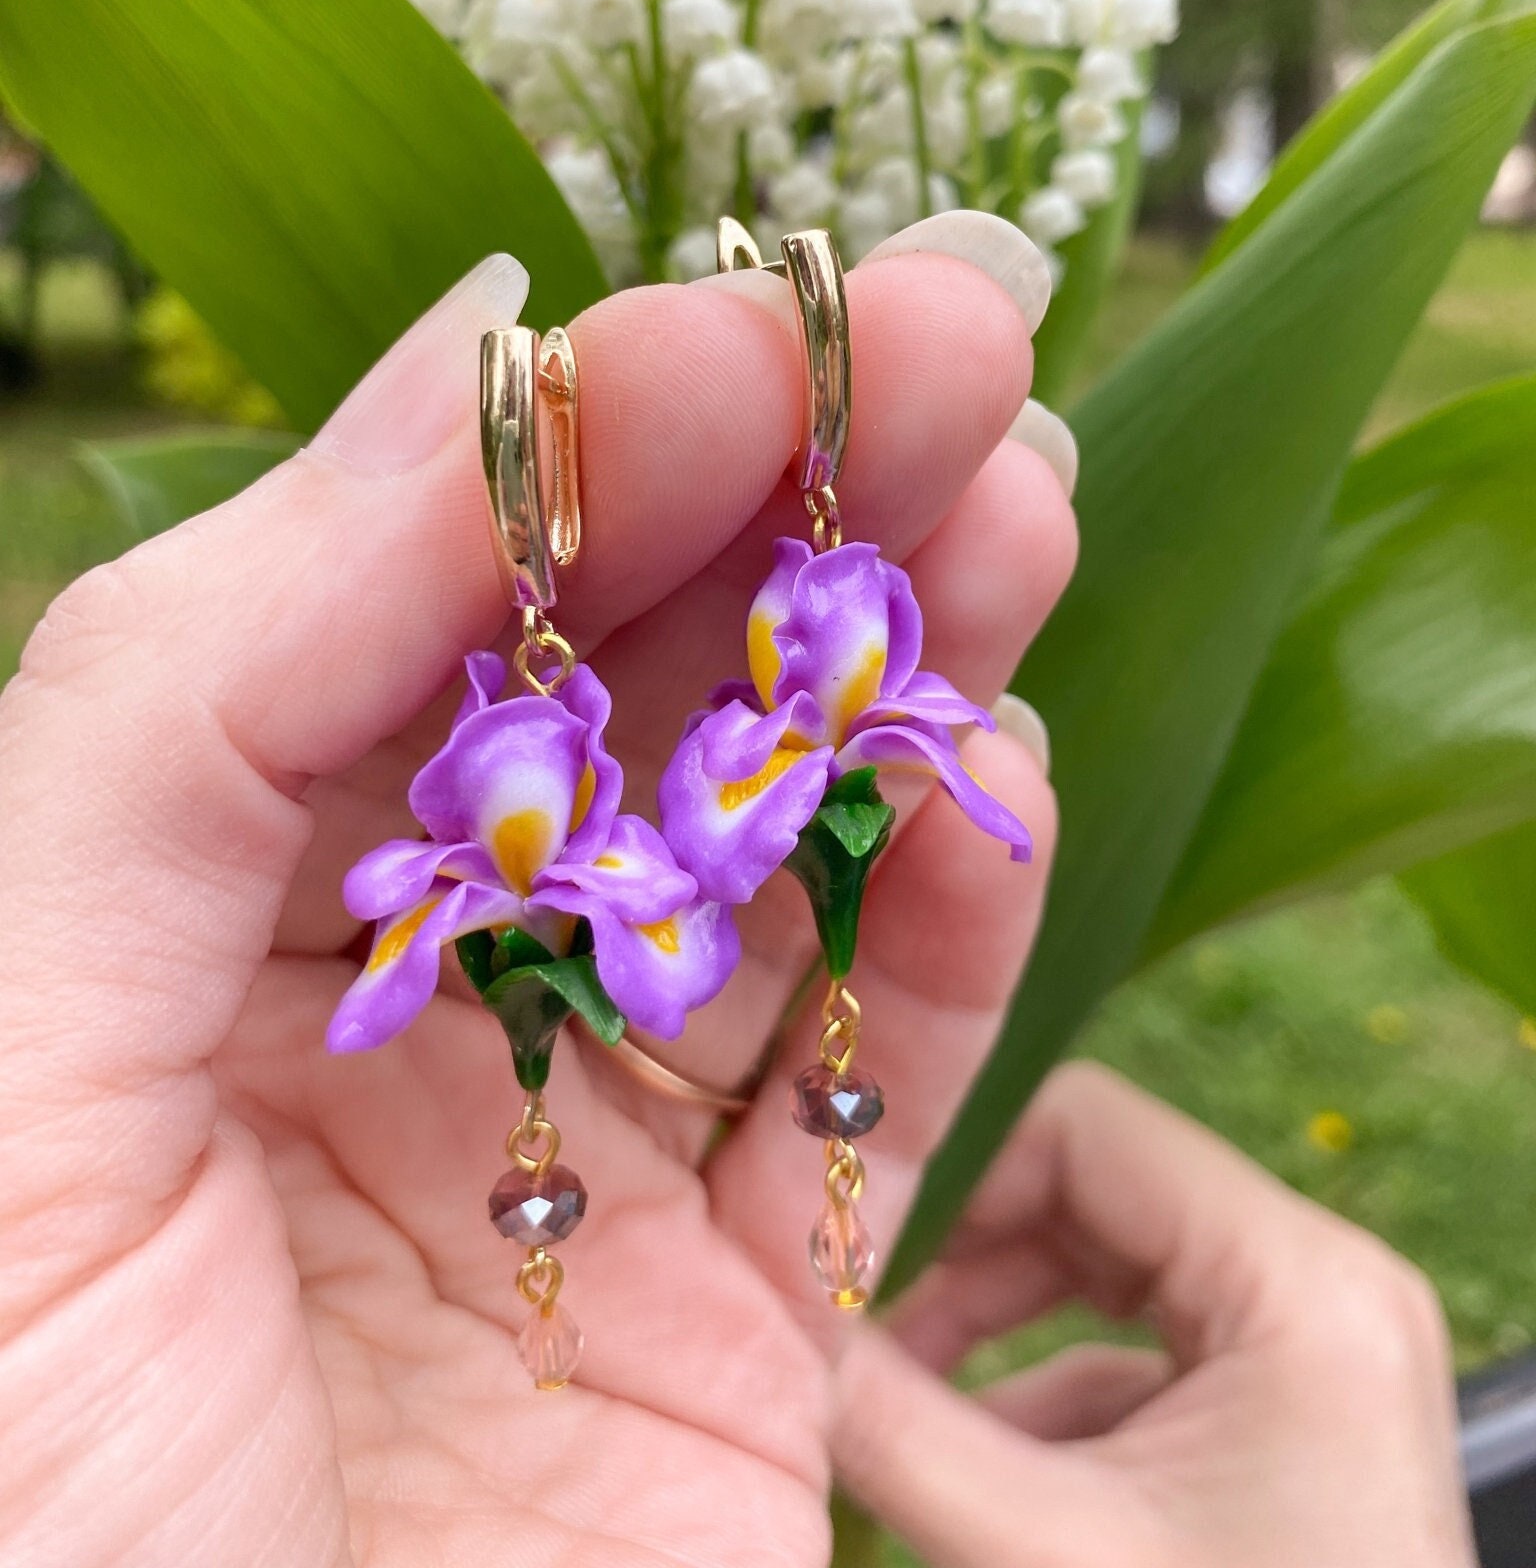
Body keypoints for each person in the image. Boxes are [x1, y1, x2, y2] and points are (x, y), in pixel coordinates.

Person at [0, 225, 1474, 1566]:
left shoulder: (819, 719)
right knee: (578, 999)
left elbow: (770, 840)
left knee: (842, 874)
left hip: (718, 807)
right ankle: (564, 1229)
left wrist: (937, 782)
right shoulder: (544, 807)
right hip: (571, 856)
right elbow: (470, 881)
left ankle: (613, 1237)